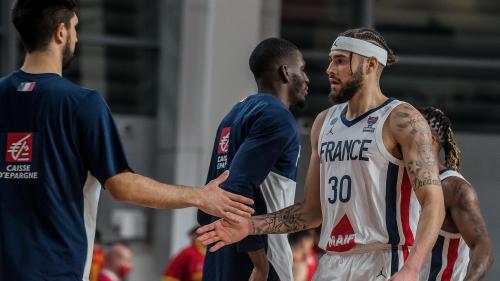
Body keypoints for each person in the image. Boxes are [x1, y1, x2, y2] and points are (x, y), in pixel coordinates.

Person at [0, 1, 254, 280]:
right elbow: (122, 185)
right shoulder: (81, 104)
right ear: (61, 32)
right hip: (56, 273)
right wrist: (200, 197)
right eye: (75, 28)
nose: (76, 37)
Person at [196, 28, 446, 281]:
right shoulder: (324, 122)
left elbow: (433, 202)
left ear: (370, 64)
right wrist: (250, 226)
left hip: (386, 258)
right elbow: (311, 212)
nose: (329, 70)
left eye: (339, 60)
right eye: (330, 60)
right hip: (333, 262)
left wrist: (412, 269)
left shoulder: (402, 119)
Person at [197, 38, 309, 281]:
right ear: (285, 72)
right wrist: (260, 264)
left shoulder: (232, 114)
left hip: (218, 259)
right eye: (302, 69)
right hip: (257, 258)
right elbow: (236, 188)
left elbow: (207, 204)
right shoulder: (278, 117)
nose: (307, 78)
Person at [417, 107, 494, 281]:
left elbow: (482, 246)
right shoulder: (399, 182)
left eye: (409, 133)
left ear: (429, 139)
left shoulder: (454, 188)